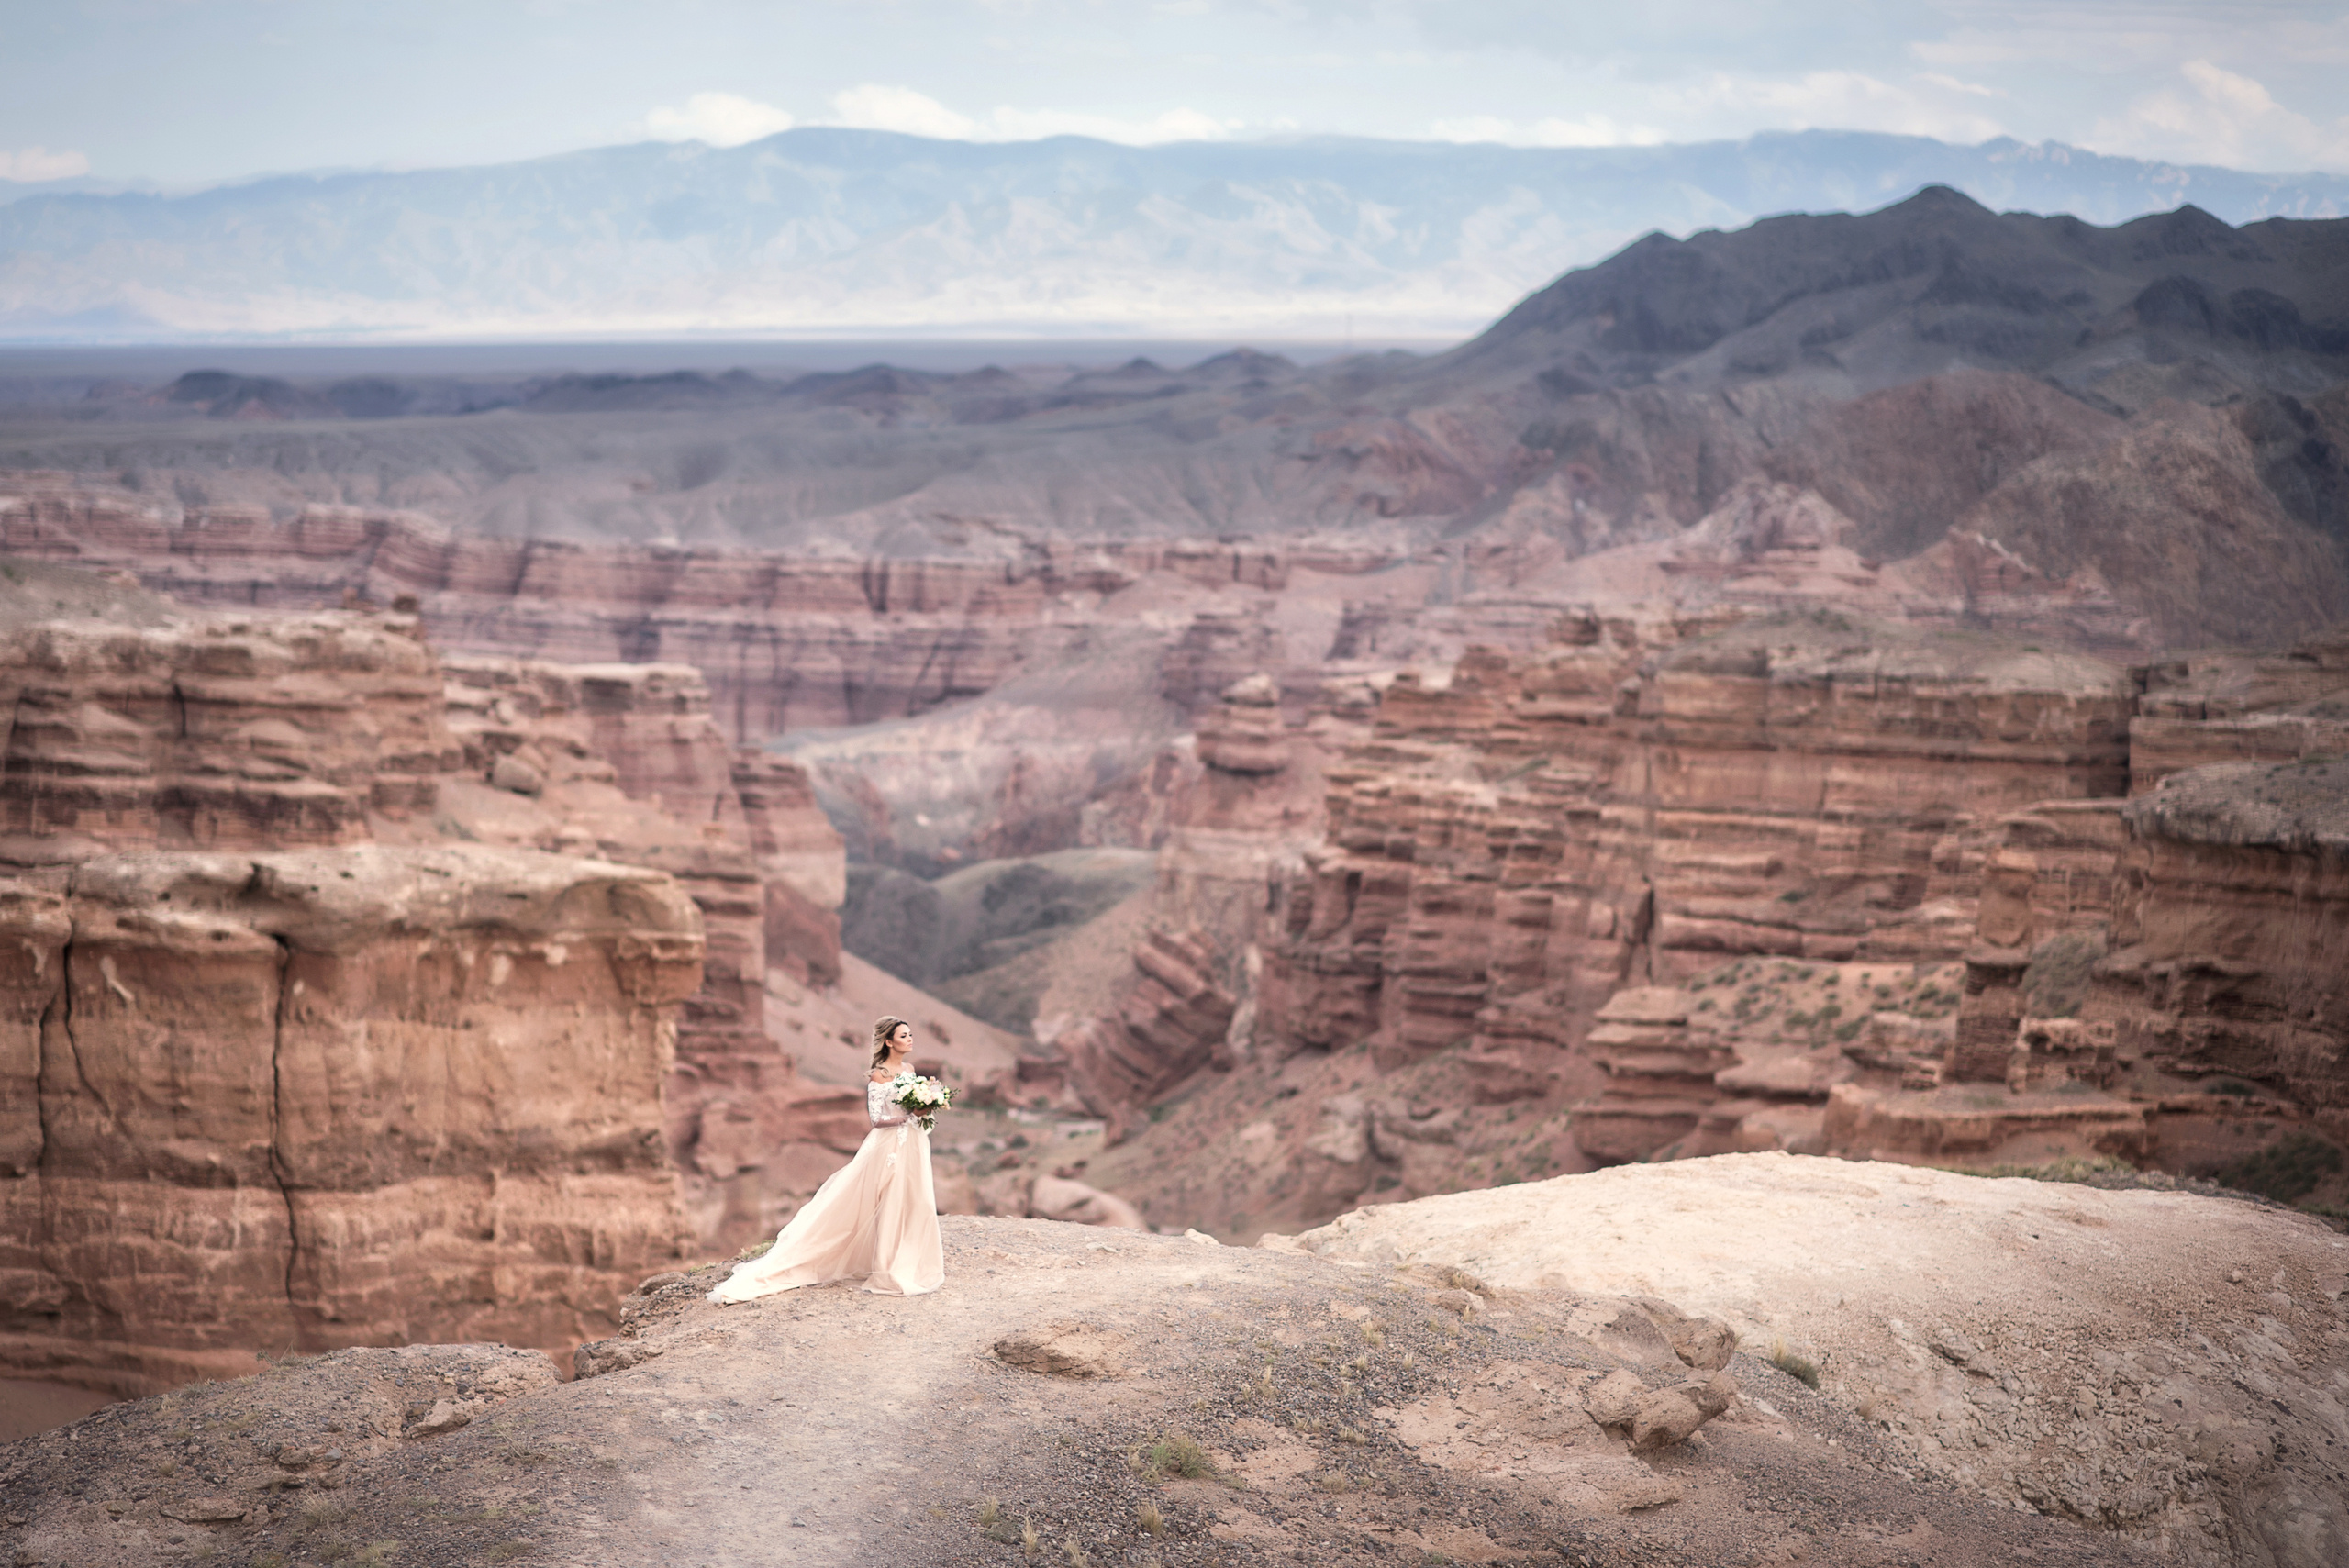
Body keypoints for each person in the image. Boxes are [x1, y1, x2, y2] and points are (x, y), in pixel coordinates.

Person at [705, 1015, 944, 1301]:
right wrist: (910, 1113)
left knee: (914, 1199)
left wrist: (927, 1105)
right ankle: (885, 1267)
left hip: (914, 1143)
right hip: (888, 1146)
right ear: (889, 1041)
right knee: (886, 1200)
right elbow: (877, 1119)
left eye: (910, 1034)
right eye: (904, 1036)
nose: (910, 1039)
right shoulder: (879, 1074)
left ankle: (910, 1259)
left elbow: (915, 1110)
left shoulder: (910, 1068)